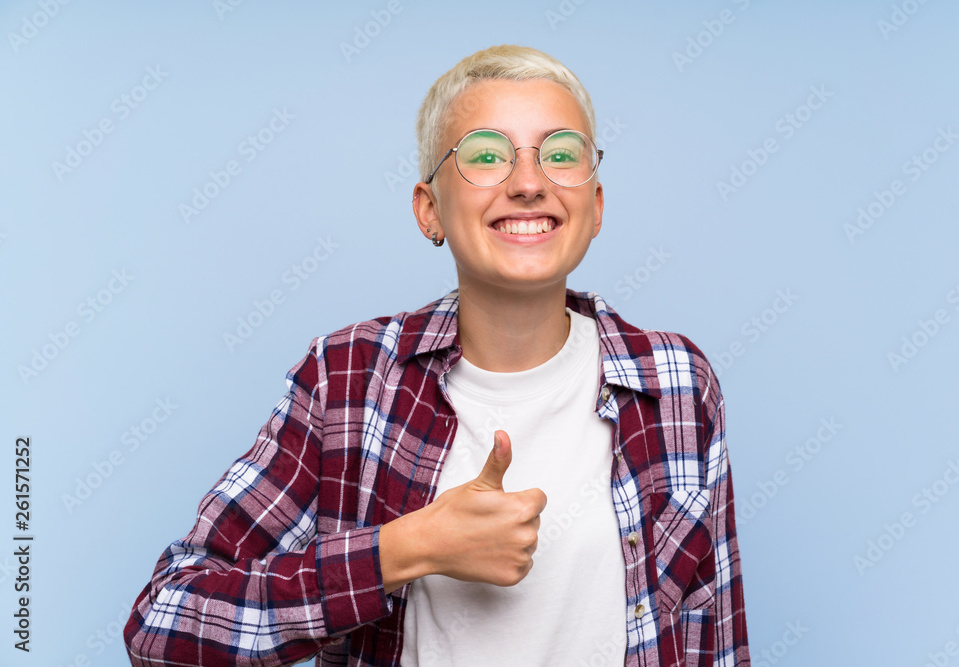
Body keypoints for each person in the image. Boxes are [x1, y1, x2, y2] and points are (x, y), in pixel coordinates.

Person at [124, 44, 750, 666]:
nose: (529, 183)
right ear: (429, 211)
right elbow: (162, 624)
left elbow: (718, 640)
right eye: (485, 155)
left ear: (596, 208)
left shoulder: (676, 384)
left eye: (561, 155)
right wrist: (404, 550)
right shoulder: (349, 379)